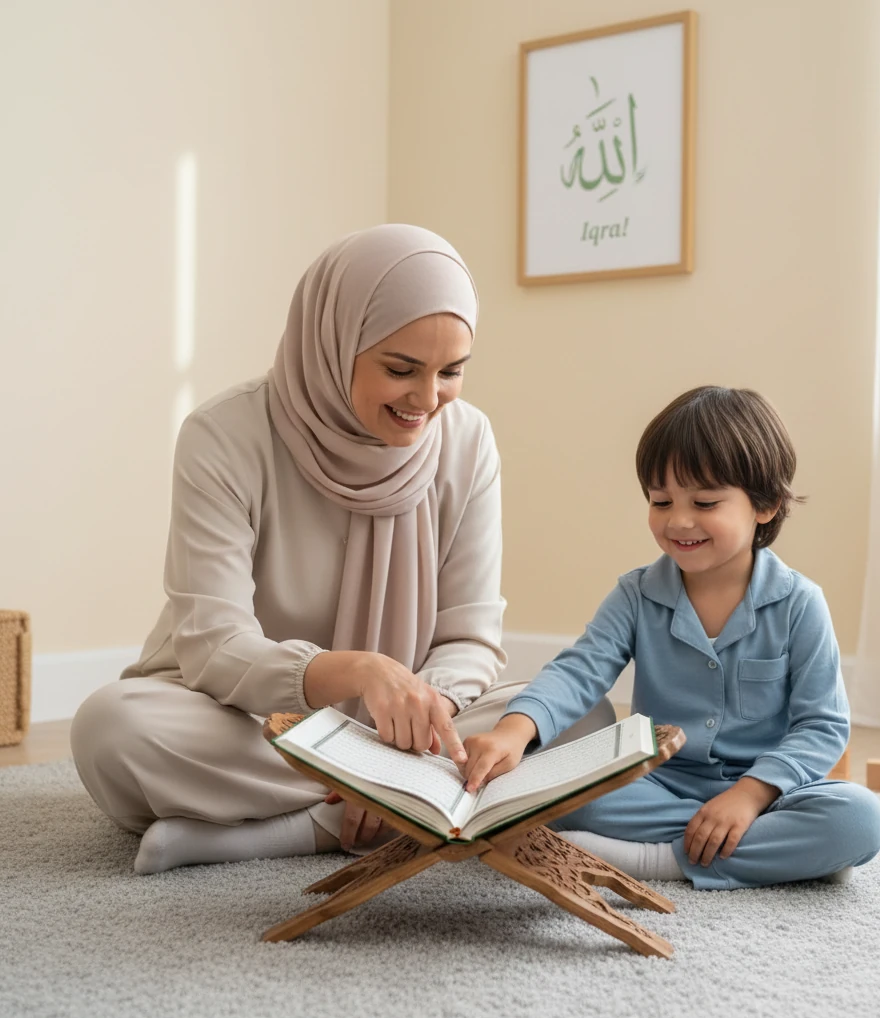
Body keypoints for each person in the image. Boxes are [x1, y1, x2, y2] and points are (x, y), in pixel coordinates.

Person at [70, 224, 613, 874]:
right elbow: (213, 644)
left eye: (452, 371)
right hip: (248, 716)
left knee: (584, 721)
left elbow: (470, 637)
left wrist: (416, 724)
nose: (428, 397)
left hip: (411, 731)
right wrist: (356, 674)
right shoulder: (223, 436)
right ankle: (408, 808)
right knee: (111, 730)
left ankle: (306, 825)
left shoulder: (468, 442)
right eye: (400, 368)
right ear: (335, 341)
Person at [460, 386, 880, 888]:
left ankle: (650, 861)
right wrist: (514, 730)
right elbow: (580, 671)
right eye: (661, 501)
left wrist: (750, 796)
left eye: (705, 502)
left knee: (858, 819)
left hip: (768, 793)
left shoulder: (800, 604)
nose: (678, 521)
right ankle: (760, 854)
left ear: (766, 505)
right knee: (545, 789)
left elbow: (822, 726)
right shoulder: (636, 595)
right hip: (654, 782)